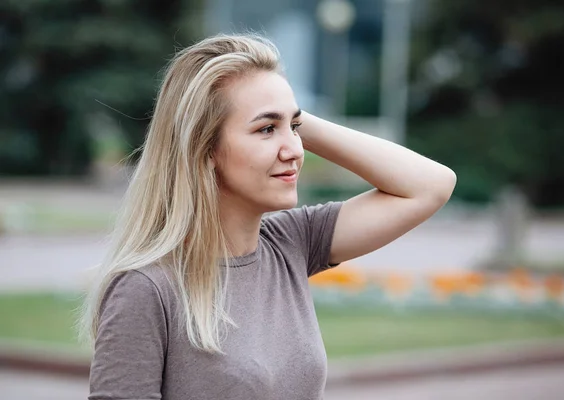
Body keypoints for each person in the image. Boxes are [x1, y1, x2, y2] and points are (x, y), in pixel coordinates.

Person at [79, 33, 456, 400]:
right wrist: (281, 114)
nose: (294, 150)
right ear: (204, 149)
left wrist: (287, 114)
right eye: (265, 129)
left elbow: (430, 186)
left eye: (294, 127)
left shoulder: (292, 242)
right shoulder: (146, 288)